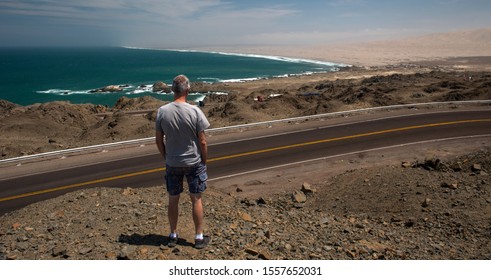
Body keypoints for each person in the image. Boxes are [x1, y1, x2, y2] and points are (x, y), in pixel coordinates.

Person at [155, 74, 211, 249]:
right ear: (188, 90)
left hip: (172, 162)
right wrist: (204, 160)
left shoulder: (162, 112)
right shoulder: (195, 111)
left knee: (173, 199)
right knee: (196, 199)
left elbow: (158, 140)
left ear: (172, 90)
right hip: (193, 162)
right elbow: (202, 140)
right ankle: (199, 237)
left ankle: (172, 235)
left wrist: (167, 156)